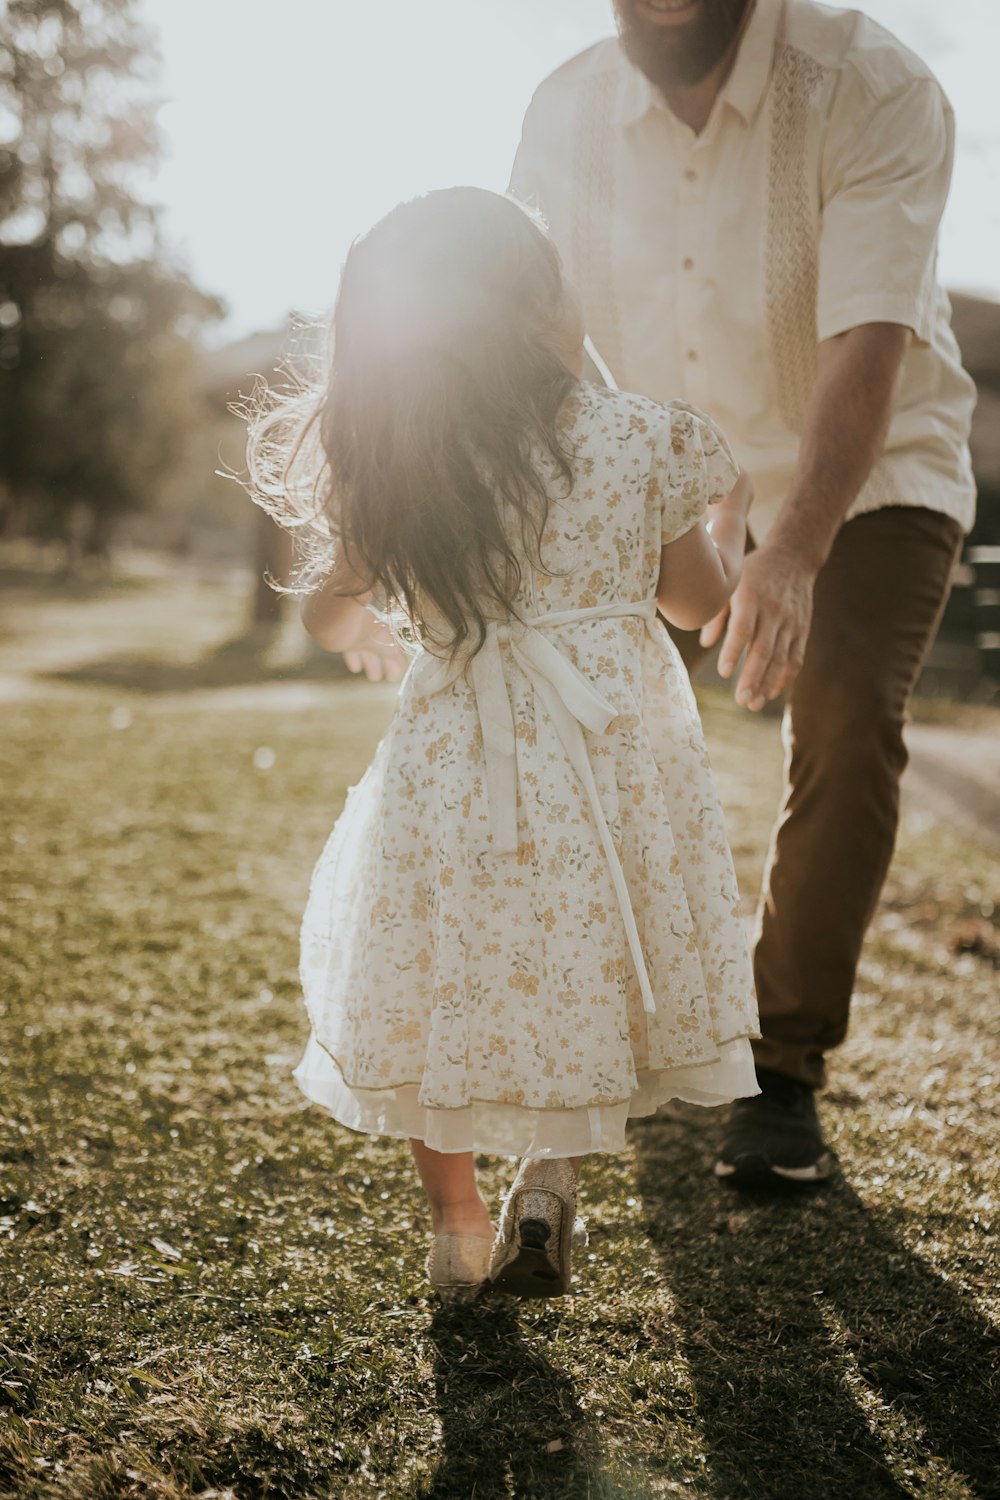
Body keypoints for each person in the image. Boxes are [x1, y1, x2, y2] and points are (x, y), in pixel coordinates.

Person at [246, 186, 758, 1302]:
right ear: (537, 308)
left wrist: (385, 635)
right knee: (577, 967)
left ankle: (455, 1225)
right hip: (607, 754)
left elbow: (327, 614)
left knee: (439, 979)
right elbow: (692, 604)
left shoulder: (403, 459)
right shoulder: (636, 435)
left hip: (451, 765)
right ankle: (547, 1182)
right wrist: (718, 526)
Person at [508, 0, 977, 1187]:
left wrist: (793, 544)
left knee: (843, 712)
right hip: (656, 464)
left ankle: (784, 1069)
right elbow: (536, 344)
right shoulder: (563, 113)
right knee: (580, 715)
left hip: (870, 472)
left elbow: (865, 341)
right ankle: (612, 1016)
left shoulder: (870, 84)